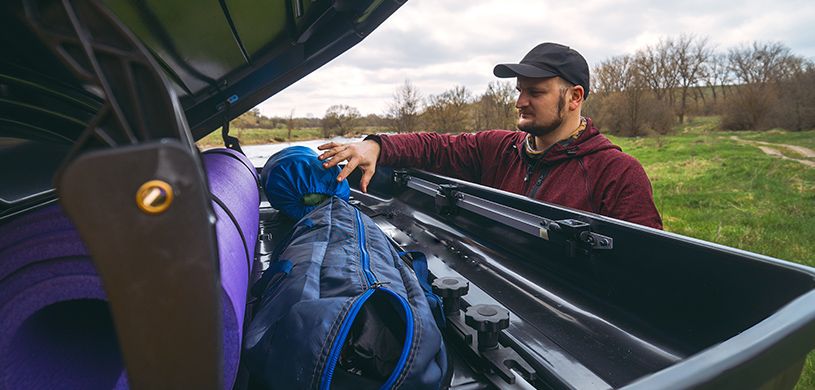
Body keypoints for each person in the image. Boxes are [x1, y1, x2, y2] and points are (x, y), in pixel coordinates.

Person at [318, 42, 663, 229]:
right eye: (519, 90)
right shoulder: (498, 148)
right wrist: (376, 145)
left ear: (575, 97)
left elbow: (648, 272)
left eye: (535, 92)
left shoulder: (617, 173)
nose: (520, 102)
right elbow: (437, 147)